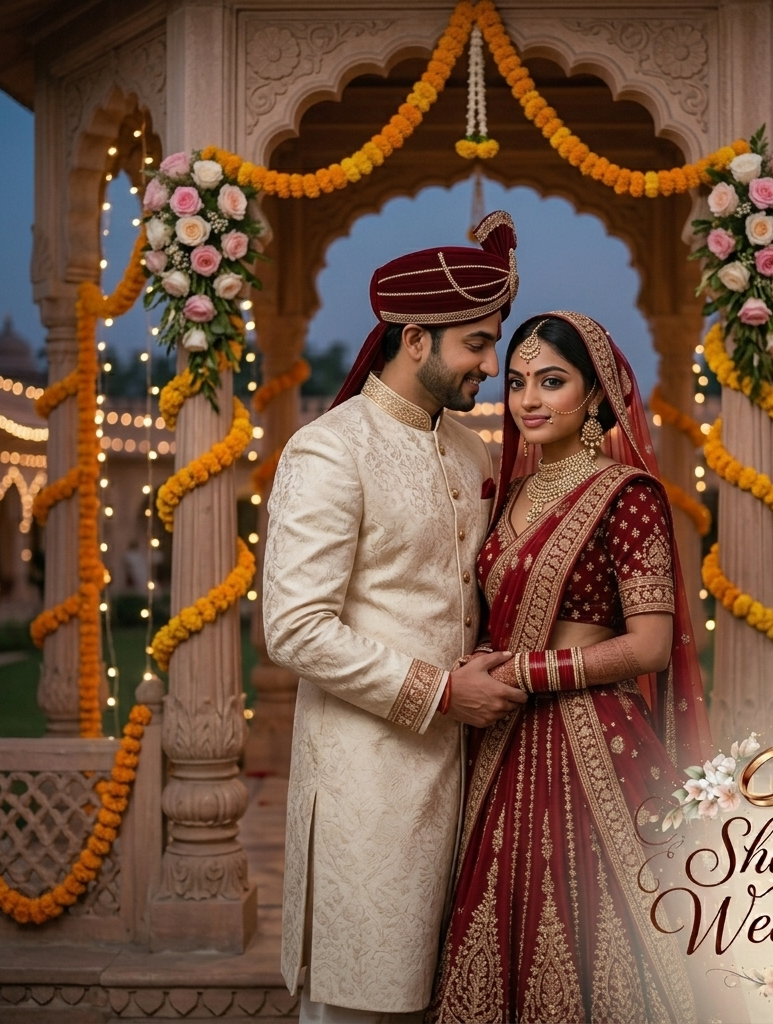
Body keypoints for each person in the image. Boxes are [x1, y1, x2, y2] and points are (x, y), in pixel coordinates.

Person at [264, 212, 528, 1023]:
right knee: (361, 1000)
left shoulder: (469, 451)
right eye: (477, 344)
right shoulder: (330, 450)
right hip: (367, 781)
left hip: (462, 773)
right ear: (415, 340)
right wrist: (441, 692)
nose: (492, 365)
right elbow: (295, 628)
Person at [428, 312, 712, 1024]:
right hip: (503, 740)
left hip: (594, 743)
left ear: (595, 396)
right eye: (518, 381)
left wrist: (528, 671)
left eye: (552, 382)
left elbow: (650, 646)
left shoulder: (629, 495)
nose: (528, 399)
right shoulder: (510, 495)